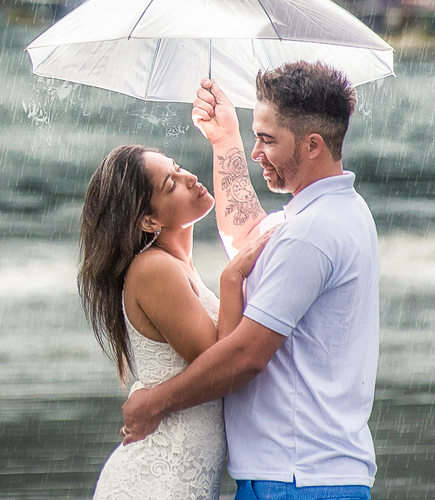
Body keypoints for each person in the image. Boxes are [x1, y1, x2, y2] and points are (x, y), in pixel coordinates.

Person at [121, 62, 380, 499]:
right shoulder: (338, 212)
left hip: (296, 479)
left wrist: (155, 402)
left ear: (312, 145)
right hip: (310, 473)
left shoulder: (308, 234)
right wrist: (225, 140)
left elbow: (245, 358)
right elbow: (246, 235)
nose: (256, 151)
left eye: (267, 139)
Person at [80, 144, 272, 499]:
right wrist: (232, 279)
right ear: (149, 221)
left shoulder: (177, 267)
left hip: (181, 474)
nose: (190, 178)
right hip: (160, 479)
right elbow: (221, 365)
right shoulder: (154, 268)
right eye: (171, 184)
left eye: (179, 167)